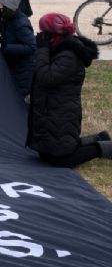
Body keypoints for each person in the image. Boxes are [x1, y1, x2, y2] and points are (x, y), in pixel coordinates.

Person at [27, 13, 112, 167]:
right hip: (51, 109)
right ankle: (98, 138)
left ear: (51, 33)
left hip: (62, 111)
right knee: (45, 153)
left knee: (60, 160)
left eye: (43, 31)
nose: (40, 35)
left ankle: (103, 148)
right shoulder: (57, 47)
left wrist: (42, 50)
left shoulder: (69, 54)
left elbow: (46, 78)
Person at [0, 0, 35, 99]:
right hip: (14, 65)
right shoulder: (9, 19)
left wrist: (6, 48)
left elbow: (32, 47)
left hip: (23, 69)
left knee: (20, 99)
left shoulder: (20, 24)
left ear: (7, 7)